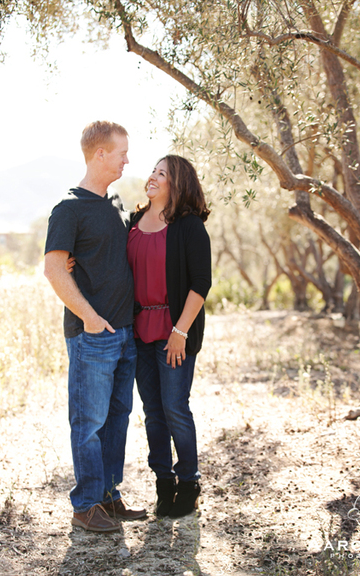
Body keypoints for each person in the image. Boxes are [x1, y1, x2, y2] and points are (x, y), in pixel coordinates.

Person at [44, 120, 147, 532]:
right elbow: (54, 269)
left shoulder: (116, 204)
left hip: (126, 334)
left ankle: (108, 495)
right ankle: (85, 505)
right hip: (92, 336)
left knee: (117, 417)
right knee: (88, 423)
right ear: (99, 154)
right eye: (122, 152)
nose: (127, 159)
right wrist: (89, 317)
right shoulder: (68, 209)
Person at [128, 154, 211, 518]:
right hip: (140, 332)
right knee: (153, 412)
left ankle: (189, 483)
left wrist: (180, 332)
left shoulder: (189, 227)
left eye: (162, 173)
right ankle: (164, 484)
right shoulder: (131, 222)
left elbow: (201, 283)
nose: (153, 177)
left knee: (175, 408)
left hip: (174, 332)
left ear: (177, 184)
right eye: (153, 171)